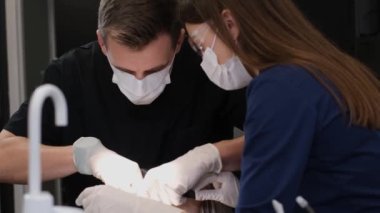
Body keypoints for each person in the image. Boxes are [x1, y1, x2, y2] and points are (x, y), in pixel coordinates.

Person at [135, 0, 380, 212]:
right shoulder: (320, 70)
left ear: (229, 24)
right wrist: (220, 164)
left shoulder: (279, 88)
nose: (203, 60)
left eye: (200, 46)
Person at [0, 0, 246, 207]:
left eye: (155, 70)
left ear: (179, 41)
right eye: (125, 70)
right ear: (102, 43)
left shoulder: (207, 69)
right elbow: (4, 155)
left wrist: (210, 157)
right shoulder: (72, 74)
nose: (140, 82)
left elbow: (276, 136)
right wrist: (84, 158)